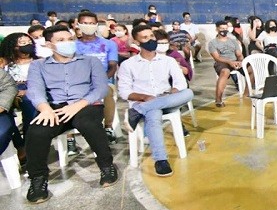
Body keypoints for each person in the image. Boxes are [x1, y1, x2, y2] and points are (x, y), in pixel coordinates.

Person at [24, 25, 118, 203]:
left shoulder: (91, 61)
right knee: (36, 130)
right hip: (55, 107)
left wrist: (77, 105)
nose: (67, 43)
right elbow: (35, 90)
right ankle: (38, 179)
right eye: (60, 41)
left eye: (69, 39)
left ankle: (107, 166)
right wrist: (45, 109)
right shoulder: (38, 65)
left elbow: (101, 88)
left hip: (86, 104)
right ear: (49, 45)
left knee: (88, 124)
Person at [118, 25, 194, 177]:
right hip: (143, 101)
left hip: (165, 99)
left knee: (188, 92)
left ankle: (137, 112)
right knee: (153, 113)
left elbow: (180, 84)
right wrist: (145, 98)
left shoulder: (168, 61)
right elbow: (124, 92)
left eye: (151, 36)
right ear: (137, 42)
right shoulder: (128, 65)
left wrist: (172, 92)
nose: (150, 40)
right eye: (145, 38)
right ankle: (161, 160)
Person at [75, 11, 119, 144]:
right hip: (79, 83)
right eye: (85, 23)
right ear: (78, 24)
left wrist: (100, 81)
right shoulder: (72, 45)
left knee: (106, 91)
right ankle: (72, 137)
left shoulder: (109, 44)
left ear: (97, 25)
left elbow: (112, 67)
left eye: (92, 23)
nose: (89, 26)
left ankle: (108, 127)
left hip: (103, 80)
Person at [208, 20, 244, 107]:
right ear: (217, 29)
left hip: (235, 61)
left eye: (226, 28)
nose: (224, 30)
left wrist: (240, 62)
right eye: (222, 28)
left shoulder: (233, 41)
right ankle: (218, 99)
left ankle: (246, 93)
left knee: (251, 69)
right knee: (225, 72)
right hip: (222, 62)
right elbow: (217, 57)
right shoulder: (212, 43)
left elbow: (239, 54)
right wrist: (229, 62)